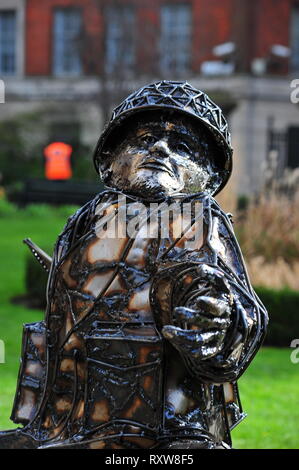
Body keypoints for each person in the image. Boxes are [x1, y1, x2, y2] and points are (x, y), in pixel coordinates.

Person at [0, 81, 268, 449]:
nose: (159, 148)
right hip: (65, 425)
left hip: (165, 432)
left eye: (183, 147)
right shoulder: (86, 220)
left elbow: (232, 304)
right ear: (110, 163)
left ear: (207, 178)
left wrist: (218, 318)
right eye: (143, 139)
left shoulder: (193, 219)